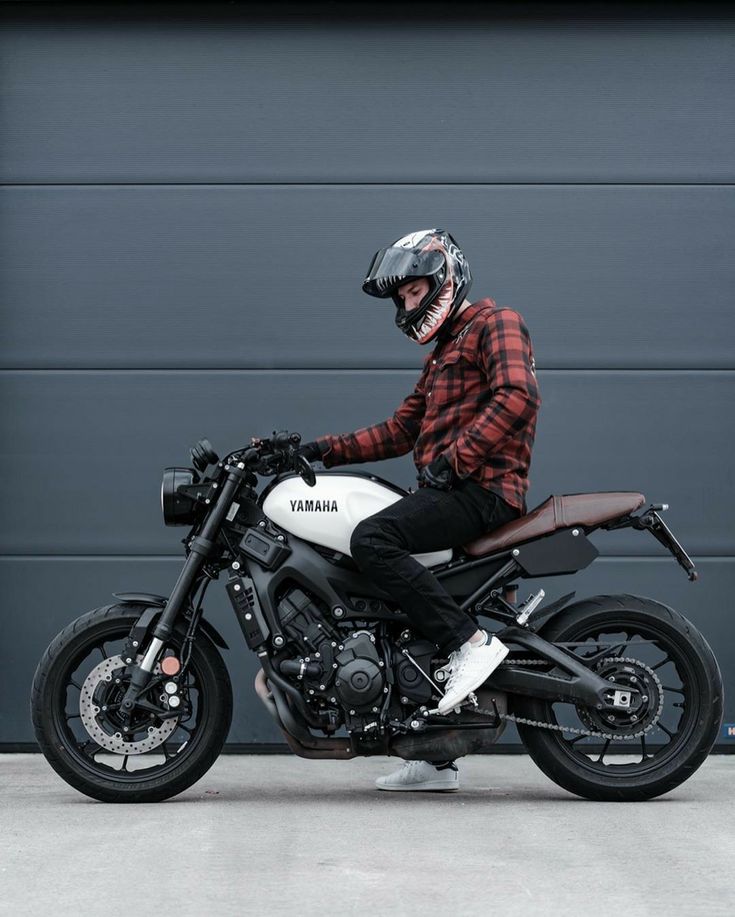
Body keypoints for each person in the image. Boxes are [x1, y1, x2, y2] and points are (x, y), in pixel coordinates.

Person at [298, 229, 541, 791]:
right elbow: (401, 429)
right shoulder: (441, 356)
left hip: (482, 492)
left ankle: (470, 645)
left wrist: (456, 461)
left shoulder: (493, 322)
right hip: (451, 490)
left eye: (414, 291)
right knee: (393, 596)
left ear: (446, 279)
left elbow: (518, 395)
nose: (408, 305)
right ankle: (435, 759)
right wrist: (320, 449)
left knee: (372, 540)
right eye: (402, 299)